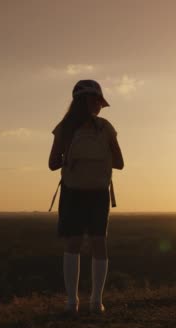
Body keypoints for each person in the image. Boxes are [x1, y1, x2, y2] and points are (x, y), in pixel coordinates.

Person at [48, 79, 124, 313]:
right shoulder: (106, 128)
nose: (100, 106)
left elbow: (52, 164)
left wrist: (71, 161)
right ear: (92, 102)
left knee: (73, 244)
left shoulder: (64, 128)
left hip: (73, 192)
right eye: (98, 102)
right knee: (99, 244)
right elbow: (120, 163)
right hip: (99, 193)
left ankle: (72, 303)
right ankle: (96, 302)